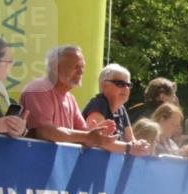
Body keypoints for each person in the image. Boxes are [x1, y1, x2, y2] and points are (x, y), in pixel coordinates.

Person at [20, 45, 148, 155]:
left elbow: (88, 135)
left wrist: (100, 134)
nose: (81, 72)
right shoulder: (39, 89)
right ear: (55, 67)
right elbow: (45, 131)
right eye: (75, 66)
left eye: (82, 67)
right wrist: (90, 136)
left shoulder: (70, 98)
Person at [82, 63, 137, 142]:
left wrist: (140, 145)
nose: (126, 88)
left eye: (128, 85)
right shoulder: (99, 104)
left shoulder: (121, 108)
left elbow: (131, 140)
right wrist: (129, 148)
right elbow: (99, 142)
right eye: (120, 84)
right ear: (104, 85)